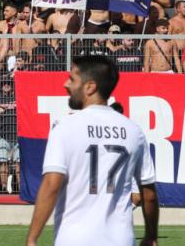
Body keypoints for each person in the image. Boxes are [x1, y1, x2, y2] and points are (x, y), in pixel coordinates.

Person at [25, 54, 159, 246]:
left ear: (90, 87)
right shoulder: (133, 131)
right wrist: (151, 236)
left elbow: (51, 184)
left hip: (74, 239)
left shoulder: (64, 126)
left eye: (72, 79)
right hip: (120, 240)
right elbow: (149, 193)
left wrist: (32, 238)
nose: (66, 84)